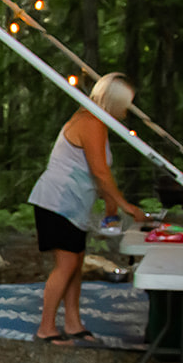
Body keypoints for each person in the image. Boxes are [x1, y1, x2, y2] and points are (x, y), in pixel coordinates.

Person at [27, 73, 147, 345]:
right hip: (57, 202)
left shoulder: (98, 123)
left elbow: (100, 173)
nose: (127, 112)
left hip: (73, 205)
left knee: (75, 262)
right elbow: (100, 173)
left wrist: (111, 207)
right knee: (66, 264)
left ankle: (73, 323)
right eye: (125, 105)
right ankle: (46, 328)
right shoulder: (90, 122)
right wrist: (127, 207)